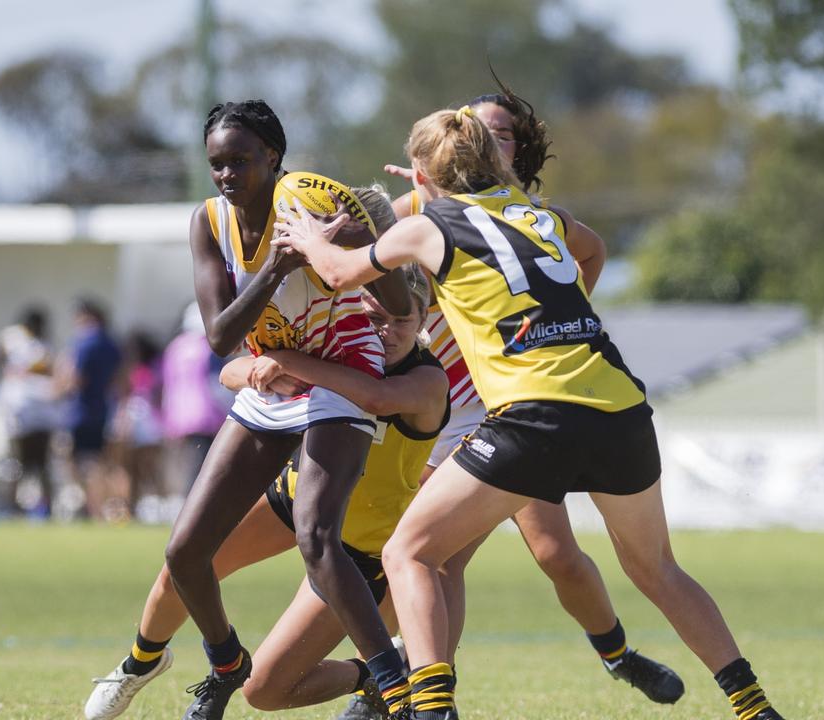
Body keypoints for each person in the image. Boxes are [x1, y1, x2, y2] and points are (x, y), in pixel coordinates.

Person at [272, 106, 786, 720]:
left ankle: (432, 709)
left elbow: (335, 272)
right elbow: (578, 248)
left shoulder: (426, 225)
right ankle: (754, 707)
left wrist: (306, 237)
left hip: (534, 417)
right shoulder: (537, 214)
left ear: (418, 175)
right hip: (620, 408)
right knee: (657, 569)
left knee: (410, 553)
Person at [366, 85, 682, 716]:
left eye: (502, 132)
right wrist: (409, 196)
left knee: (555, 554)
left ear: (518, 145)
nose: (489, 139)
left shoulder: (532, 215)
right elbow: (364, 239)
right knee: (423, 556)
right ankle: (403, 686)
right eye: (478, 130)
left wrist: (549, 328)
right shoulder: (427, 208)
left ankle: (618, 656)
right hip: (441, 404)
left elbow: (590, 251)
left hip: (514, 408)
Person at [83, 268, 448, 720]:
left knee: (266, 692)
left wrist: (288, 363)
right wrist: (264, 369)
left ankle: (375, 676)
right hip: (291, 501)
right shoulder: (337, 346)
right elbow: (230, 370)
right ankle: (139, 663)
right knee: (186, 560)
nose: (385, 333)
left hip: (356, 545)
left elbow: (374, 397)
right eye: (372, 319)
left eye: (400, 321)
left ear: (424, 319)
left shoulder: (428, 381)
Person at [165, 98, 413, 720]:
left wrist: (365, 249)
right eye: (217, 164)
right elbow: (221, 336)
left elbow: (398, 299)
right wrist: (278, 263)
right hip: (275, 376)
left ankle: (395, 685)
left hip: (340, 366)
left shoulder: (307, 201)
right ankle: (226, 663)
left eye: (240, 161)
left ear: (273, 158)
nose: (227, 176)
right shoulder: (209, 222)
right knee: (185, 553)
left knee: (316, 536)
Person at [58, 297, 122, 520]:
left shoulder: (84, 342)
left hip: (81, 411)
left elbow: (76, 378)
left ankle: (93, 508)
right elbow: (119, 379)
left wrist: (57, 388)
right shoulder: (111, 343)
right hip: (103, 409)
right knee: (101, 461)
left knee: (84, 462)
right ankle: (104, 507)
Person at [0, 305, 60, 515]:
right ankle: (14, 504)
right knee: (19, 462)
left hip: (39, 412)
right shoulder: (14, 340)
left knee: (39, 463)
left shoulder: (43, 347)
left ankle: (45, 505)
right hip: (20, 411)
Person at [160, 302, 233, 494]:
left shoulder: (174, 348)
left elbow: (168, 384)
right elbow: (217, 385)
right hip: (207, 414)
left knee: (187, 462)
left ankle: (184, 499)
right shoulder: (209, 348)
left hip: (178, 415)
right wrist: (232, 408)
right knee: (203, 463)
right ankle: (192, 502)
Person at [109, 330, 165, 516]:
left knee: (130, 470)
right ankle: (150, 506)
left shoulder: (130, 371)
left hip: (137, 424)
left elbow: (124, 398)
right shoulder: (155, 369)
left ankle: (129, 508)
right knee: (147, 470)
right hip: (150, 425)